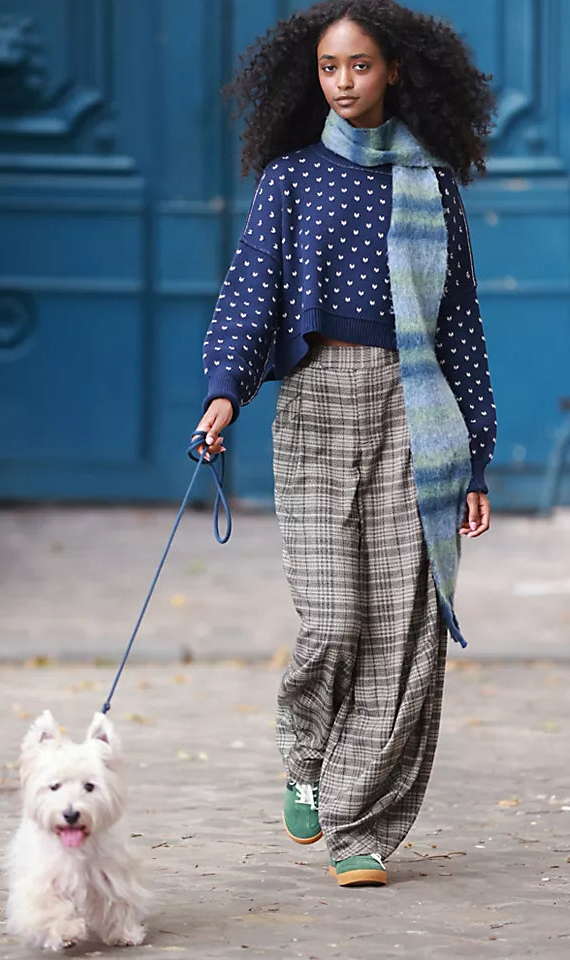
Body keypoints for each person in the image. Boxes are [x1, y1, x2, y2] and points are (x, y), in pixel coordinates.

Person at [194, 0, 497, 888]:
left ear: (394, 70)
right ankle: (306, 757)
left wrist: (475, 455)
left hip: (416, 415)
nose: (345, 82)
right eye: (331, 68)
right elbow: (251, 293)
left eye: (360, 66)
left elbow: (462, 327)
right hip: (318, 411)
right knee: (334, 620)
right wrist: (223, 394)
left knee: (402, 633)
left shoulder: (433, 184)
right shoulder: (290, 179)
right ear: (313, 75)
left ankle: (359, 826)